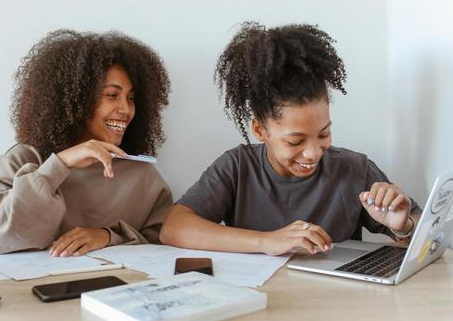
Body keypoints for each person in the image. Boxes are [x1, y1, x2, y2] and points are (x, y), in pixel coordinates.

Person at [160, 22, 421, 256]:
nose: (314, 153)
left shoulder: (355, 169)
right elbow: (173, 228)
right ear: (260, 130)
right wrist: (267, 242)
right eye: (295, 141)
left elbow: (429, 239)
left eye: (323, 134)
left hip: (335, 303)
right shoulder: (237, 167)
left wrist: (404, 226)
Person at [0, 29, 173, 256]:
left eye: (131, 98)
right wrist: (60, 164)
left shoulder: (140, 173)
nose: (126, 109)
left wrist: (108, 236)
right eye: (112, 95)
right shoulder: (24, 159)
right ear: (76, 100)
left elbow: (163, 241)